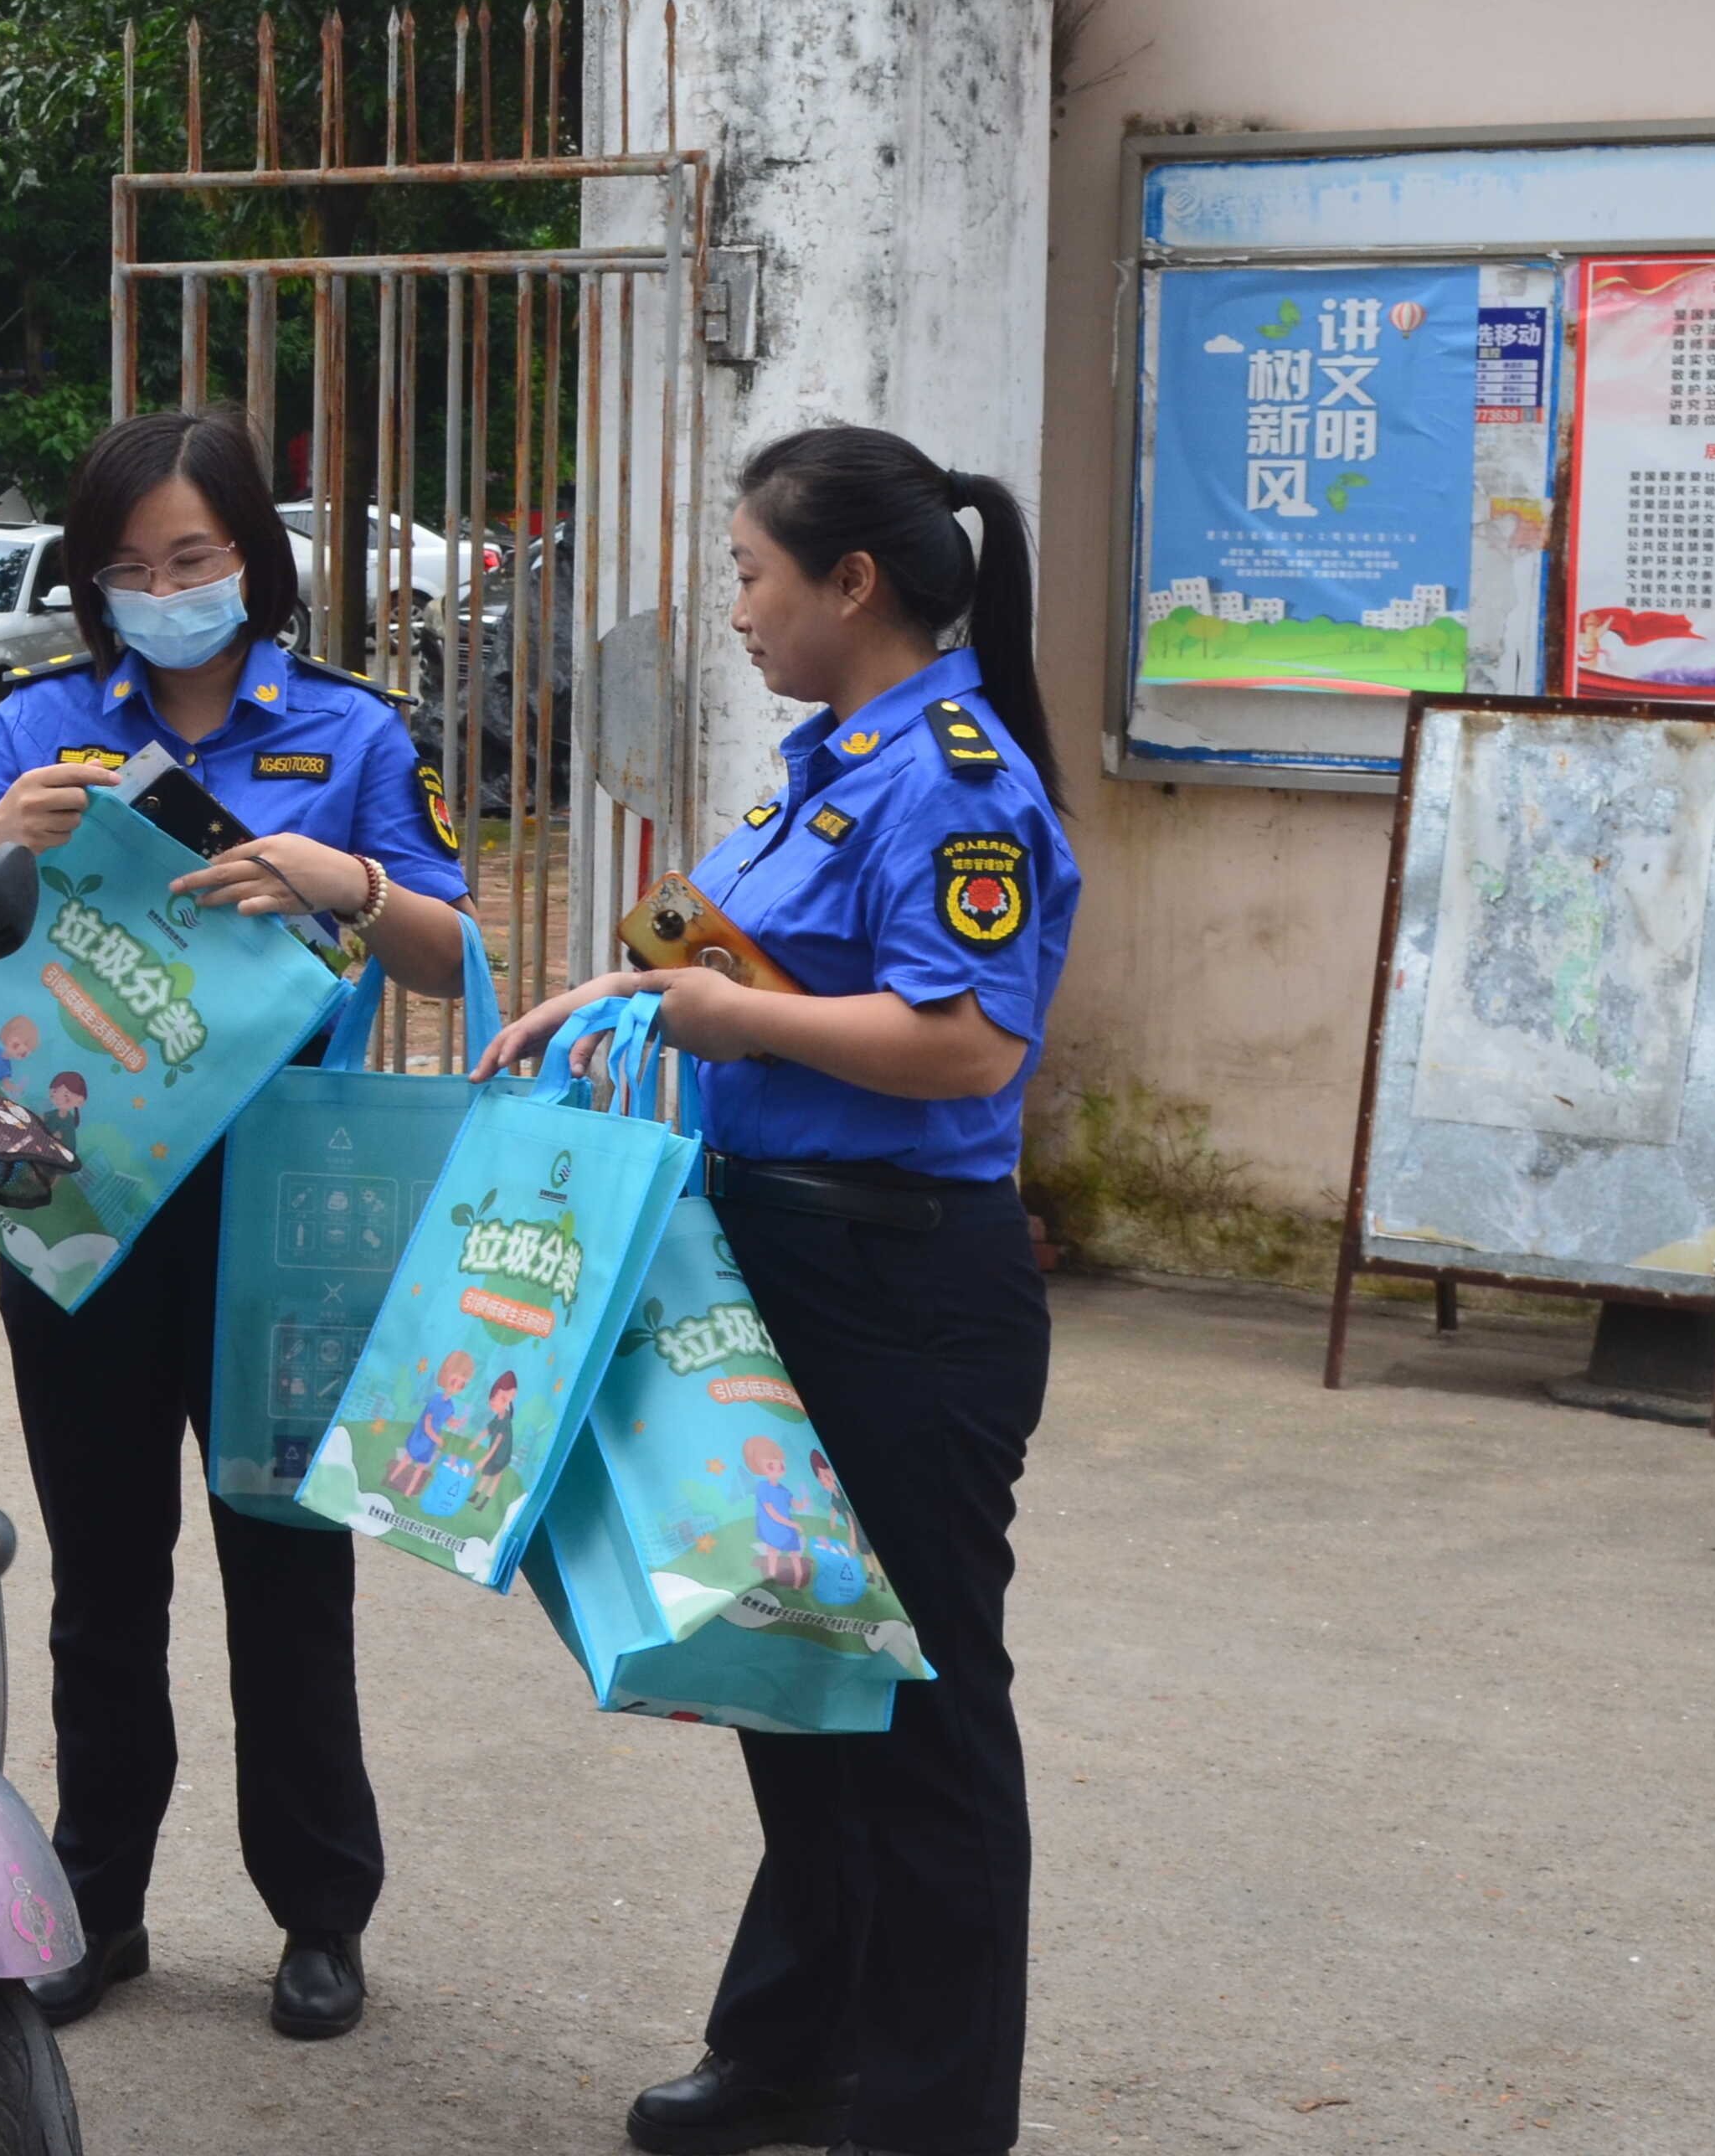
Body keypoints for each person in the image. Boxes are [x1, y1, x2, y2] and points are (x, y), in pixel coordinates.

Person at [476, 422, 1077, 2156]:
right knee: (796, 1667)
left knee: (919, 1710)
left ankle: (932, 2115)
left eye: (751, 574)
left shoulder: (954, 780)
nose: (735, 610)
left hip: (903, 1283)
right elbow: (733, 957)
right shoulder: (826, 763)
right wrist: (615, 994)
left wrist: (731, 1021)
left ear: (852, 582)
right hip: (775, 1256)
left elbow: (965, 1045)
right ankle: (796, 2046)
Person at [0, 406, 475, 2045]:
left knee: (288, 1569)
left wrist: (343, 884)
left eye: (192, 558)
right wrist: (3, 831)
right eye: (129, 567)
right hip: (81, 1194)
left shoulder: (353, 730)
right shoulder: (41, 720)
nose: (162, 590)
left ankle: (320, 1914)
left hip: (287, 1208)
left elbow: (450, 954)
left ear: (252, 562)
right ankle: (97, 1899)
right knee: (101, 1574)